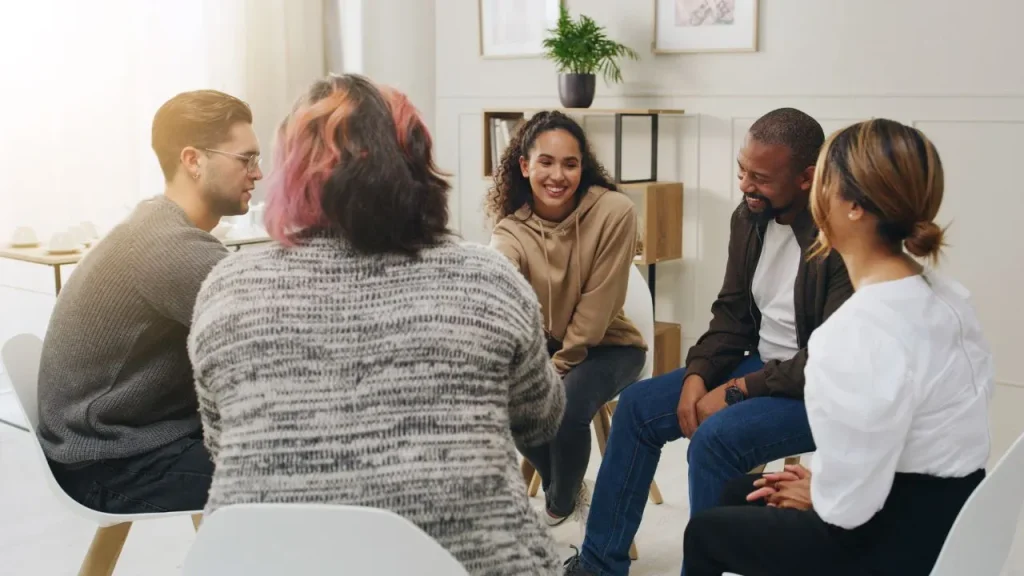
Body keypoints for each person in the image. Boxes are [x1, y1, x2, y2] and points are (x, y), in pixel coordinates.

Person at [187, 75, 566, 575]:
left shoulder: (226, 288)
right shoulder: (488, 281)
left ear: (291, 173)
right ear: (416, 165)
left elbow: (221, 442)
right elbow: (540, 418)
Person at [682, 118, 993, 576]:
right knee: (738, 494)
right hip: (949, 510)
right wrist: (824, 484)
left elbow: (846, 511)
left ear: (852, 209)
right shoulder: (947, 295)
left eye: (821, 184)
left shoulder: (854, 332)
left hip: (895, 543)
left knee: (704, 533)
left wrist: (822, 493)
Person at [563, 108, 854, 576]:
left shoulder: (838, 240)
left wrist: (737, 391)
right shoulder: (751, 218)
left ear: (807, 177)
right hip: (763, 365)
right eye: (742, 170)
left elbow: (828, 361)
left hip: (818, 391)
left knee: (716, 441)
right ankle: (598, 567)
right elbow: (733, 313)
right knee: (638, 407)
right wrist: (699, 374)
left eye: (760, 177)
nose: (745, 185)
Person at [36, 90, 261, 513]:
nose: (258, 173)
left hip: (116, 442)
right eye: (246, 159)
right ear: (193, 160)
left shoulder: (158, 224)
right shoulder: (166, 245)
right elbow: (271, 324)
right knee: (307, 478)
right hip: (111, 463)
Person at [486, 110, 647, 527]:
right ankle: (571, 488)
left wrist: (554, 370)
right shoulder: (512, 229)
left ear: (583, 167)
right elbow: (501, 275)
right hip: (548, 350)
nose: (558, 175)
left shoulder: (614, 212)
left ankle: (558, 505)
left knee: (565, 403)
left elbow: (598, 308)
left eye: (570, 164)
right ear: (525, 165)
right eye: (546, 162)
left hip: (611, 348)